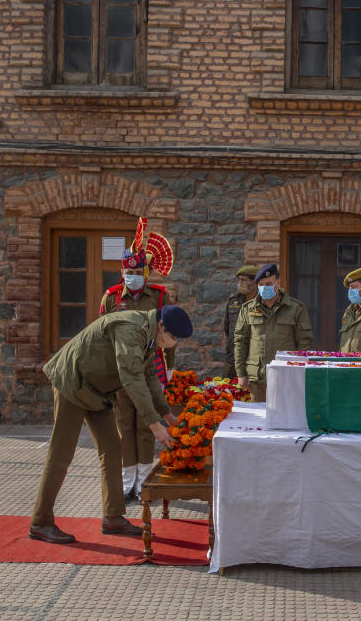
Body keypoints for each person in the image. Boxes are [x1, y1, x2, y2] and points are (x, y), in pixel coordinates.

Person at [29, 306, 192, 544]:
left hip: (97, 391)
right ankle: (41, 521)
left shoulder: (148, 337)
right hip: (72, 382)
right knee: (61, 453)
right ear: (162, 327)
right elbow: (131, 376)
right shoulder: (131, 328)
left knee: (113, 448)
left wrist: (166, 414)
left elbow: (148, 377)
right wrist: (154, 424)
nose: (172, 343)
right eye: (174, 337)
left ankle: (113, 516)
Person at [99, 219, 175, 502]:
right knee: (124, 425)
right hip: (119, 370)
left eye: (136, 271)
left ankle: (144, 481)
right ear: (122, 271)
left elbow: (167, 333)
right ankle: (127, 481)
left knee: (146, 424)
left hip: (149, 367)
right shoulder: (112, 298)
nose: (132, 275)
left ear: (145, 272)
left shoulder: (158, 296)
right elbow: (102, 334)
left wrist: (170, 366)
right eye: (128, 271)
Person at [234, 263, 315, 401]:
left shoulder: (296, 309)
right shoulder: (247, 309)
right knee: (258, 418)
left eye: (269, 283)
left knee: (286, 419)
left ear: (278, 283)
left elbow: (304, 344)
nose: (265, 288)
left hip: (287, 376)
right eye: (261, 284)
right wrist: (241, 374)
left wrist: (301, 373)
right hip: (257, 378)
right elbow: (240, 342)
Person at [222, 265, 258, 378]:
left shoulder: (263, 303)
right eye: (239, 280)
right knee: (225, 391)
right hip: (233, 359)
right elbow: (227, 329)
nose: (240, 283)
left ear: (255, 282)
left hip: (255, 361)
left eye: (244, 280)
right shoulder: (233, 302)